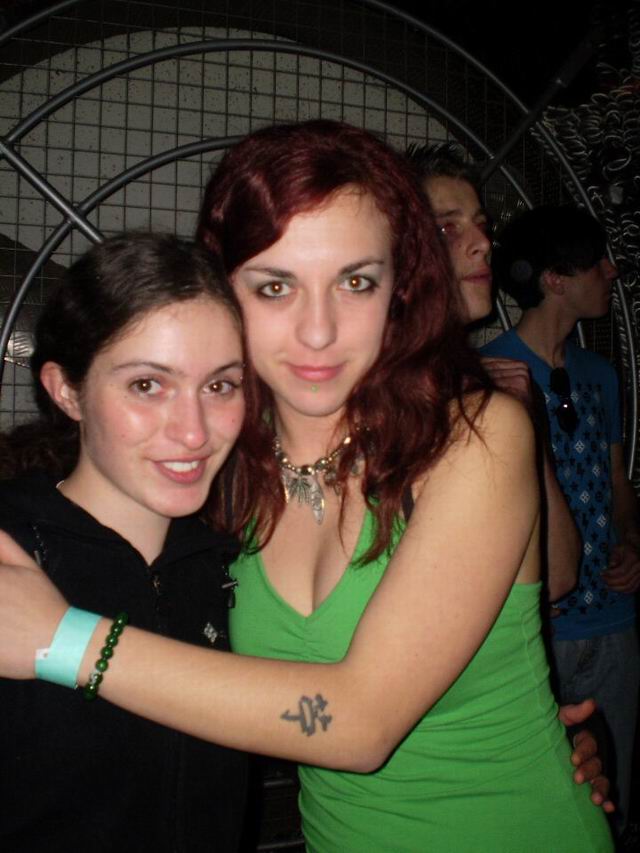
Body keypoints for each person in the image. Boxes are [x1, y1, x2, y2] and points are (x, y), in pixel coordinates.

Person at [0, 122, 614, 852]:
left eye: (355, 282)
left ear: (398, 289)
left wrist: (62, 639)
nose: (318, 331)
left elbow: (360, 725)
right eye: (275, 286)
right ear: (222, 294)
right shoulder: (219, 469)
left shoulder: (471, 436)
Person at [0, 233, 248, 851]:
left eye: (220, 386)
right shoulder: (11, 552)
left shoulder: (236, 565)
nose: (194, 432)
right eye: (147, 385)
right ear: (67, 391)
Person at [481, 204, 640, 836]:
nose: (611, 271)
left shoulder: (601, 374)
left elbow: (618, 483)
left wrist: (633, 541)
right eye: (596, 261)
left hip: (614, 622)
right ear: (554, 279)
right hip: (533, 626)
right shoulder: (487, 374)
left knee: (613, 802)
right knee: (537, 810)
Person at [406, 141, 581, 604]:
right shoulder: (371, 391)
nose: (484, 244)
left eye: (482, 226)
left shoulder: (484, 386)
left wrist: (525, 425)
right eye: (447, 228)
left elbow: (559, 571)